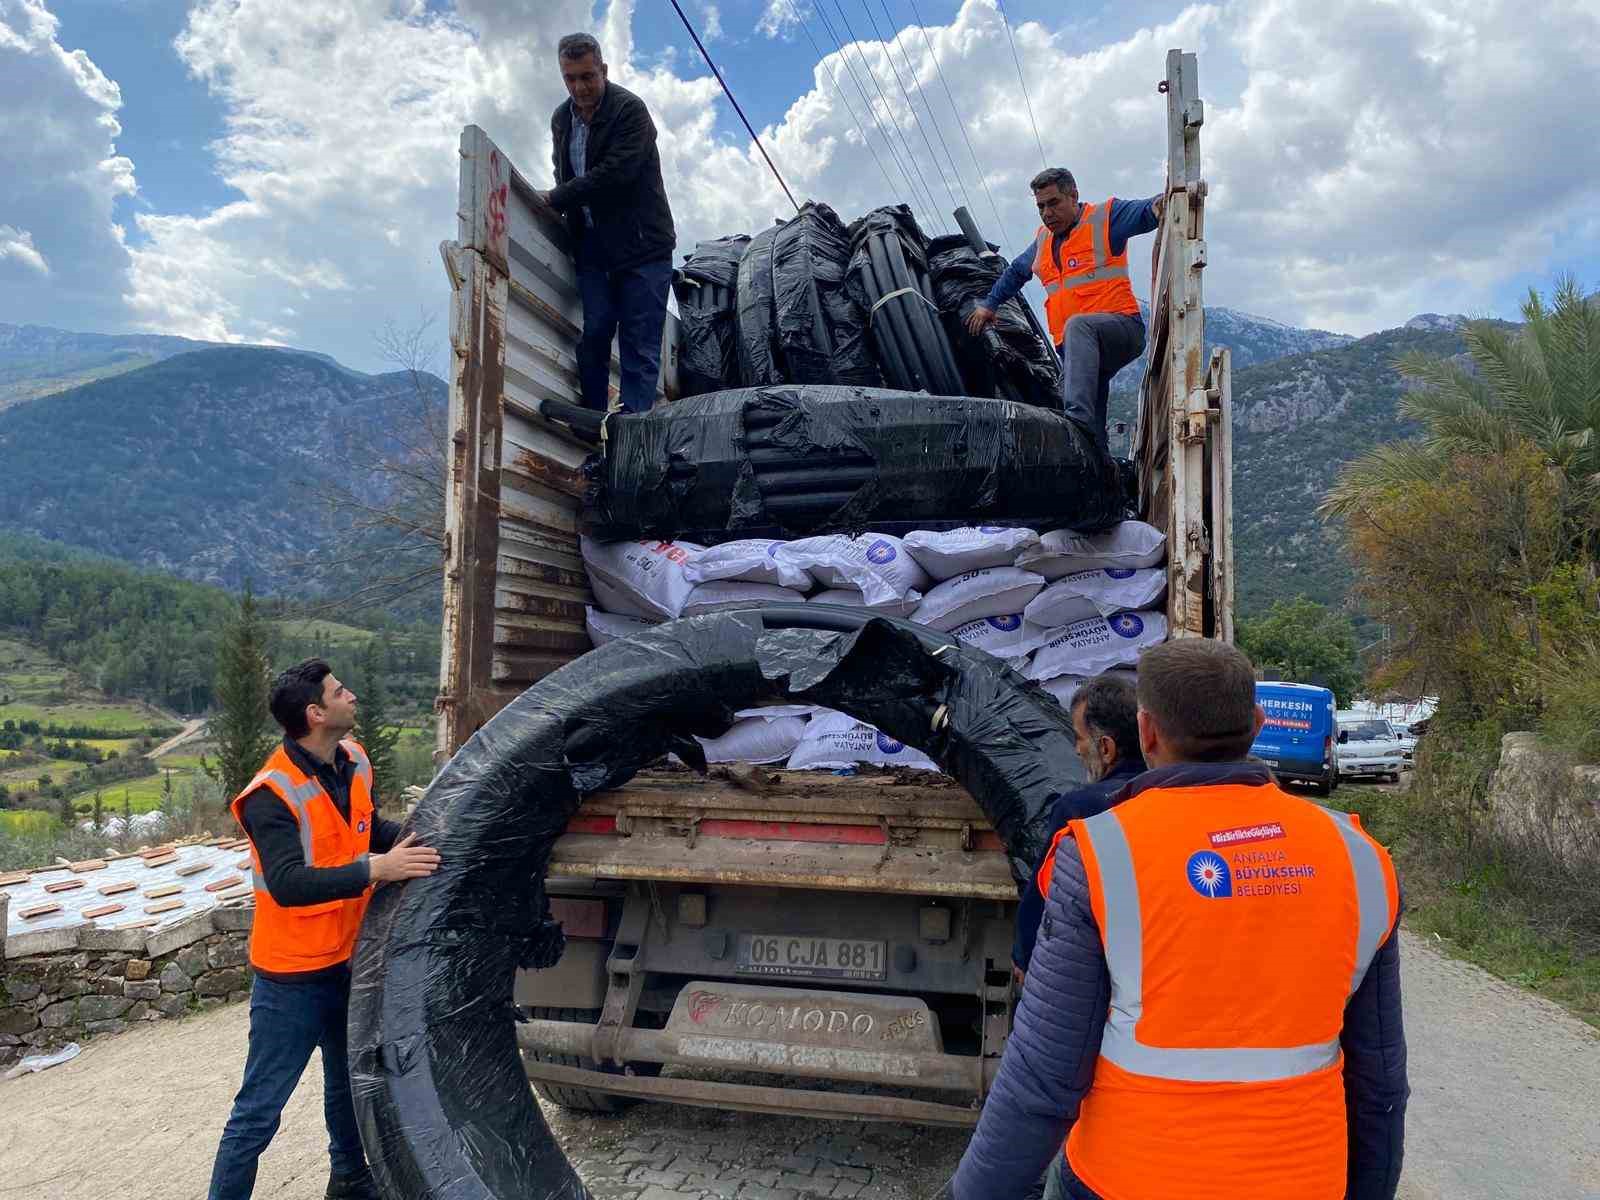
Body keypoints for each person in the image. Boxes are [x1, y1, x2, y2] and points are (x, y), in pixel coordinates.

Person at [953, 639, 1408, 1200]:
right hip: (1302, 1179)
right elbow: (1380, 1081)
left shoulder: (1100, 856)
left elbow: (1043, 1077)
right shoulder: (1361, 859)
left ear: (1146, 733)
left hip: (1125, 1179)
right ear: (1259, 723)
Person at [208, 659, 441, 1200]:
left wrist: (417, 839)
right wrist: (376, 870)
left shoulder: (354, 760)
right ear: (316, 713)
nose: (352, 695)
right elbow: (288, 883)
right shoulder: (270, 793)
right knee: (260, 1109)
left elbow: (363, 830)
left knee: (348, 1084)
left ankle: (351, 1180)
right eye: (340, 692)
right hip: (291, 976)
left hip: (348, 960)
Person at [965, 168, 1162, 452]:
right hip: (1080, 350)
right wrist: (989, 305)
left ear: (1074, 196)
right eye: (1041, 206)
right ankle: (1095, 464)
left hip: (1121, 329)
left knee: (1078, 328)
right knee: (1091, 426)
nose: (1047, 213)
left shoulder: (1104, 219)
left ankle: (1075, 425)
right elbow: (1016, 272)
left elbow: (1146, 210)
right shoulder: (1043, 241)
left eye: (1054, 202)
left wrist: (1162, 203)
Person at [537, 33, 676, 415]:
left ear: (604, 71)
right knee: (595, 332)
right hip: (594, 248)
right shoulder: (561, 119)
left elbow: (616, 174)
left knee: (639, 347)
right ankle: (593, 425)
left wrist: (556, 197)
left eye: (587, 76)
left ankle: (628, 439)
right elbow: (563, 171)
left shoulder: (630, 110)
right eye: (570, 78)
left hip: (643, 247)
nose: (579, 87)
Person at [1012, 674, 1146, 980]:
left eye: (1079, 738)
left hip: (1085, 971)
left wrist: (1024, 955)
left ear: (1106, 748)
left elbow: (1044, 893)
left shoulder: (1080, 809)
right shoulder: (1169, 794)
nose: (1075, 750)